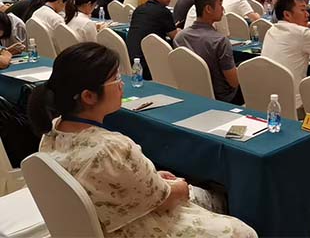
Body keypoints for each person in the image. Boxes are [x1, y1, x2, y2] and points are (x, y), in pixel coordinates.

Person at [26, 43, 257, 237]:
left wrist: (151, 177)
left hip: (101, 223)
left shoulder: (53, 131)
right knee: (240, 228)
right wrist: (180, 186)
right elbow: (166, 198)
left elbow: (116, 184)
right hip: (139, 229)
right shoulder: (112, 149)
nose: (122, 84)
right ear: (88, 96)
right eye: (116, 79)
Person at [262, 0, 310, 108]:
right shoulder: (301, 33)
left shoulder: (272, 29)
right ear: (287, 15)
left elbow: (297, 40)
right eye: (302, 10)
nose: (307, 14)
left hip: (269, 100)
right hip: (295, 103)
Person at [174, 0, 243, 105]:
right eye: (220, 3)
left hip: (191, 94)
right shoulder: (219, 41)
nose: (223, 9)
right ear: (208, 9)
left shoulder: (180, 37)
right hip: (223, 99)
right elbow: (234, 82)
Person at [127, 0, 180, 80]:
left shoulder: (138, 9)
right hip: (150, 64)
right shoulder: (163, 12)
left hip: (131, 60)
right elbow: (176, 37)